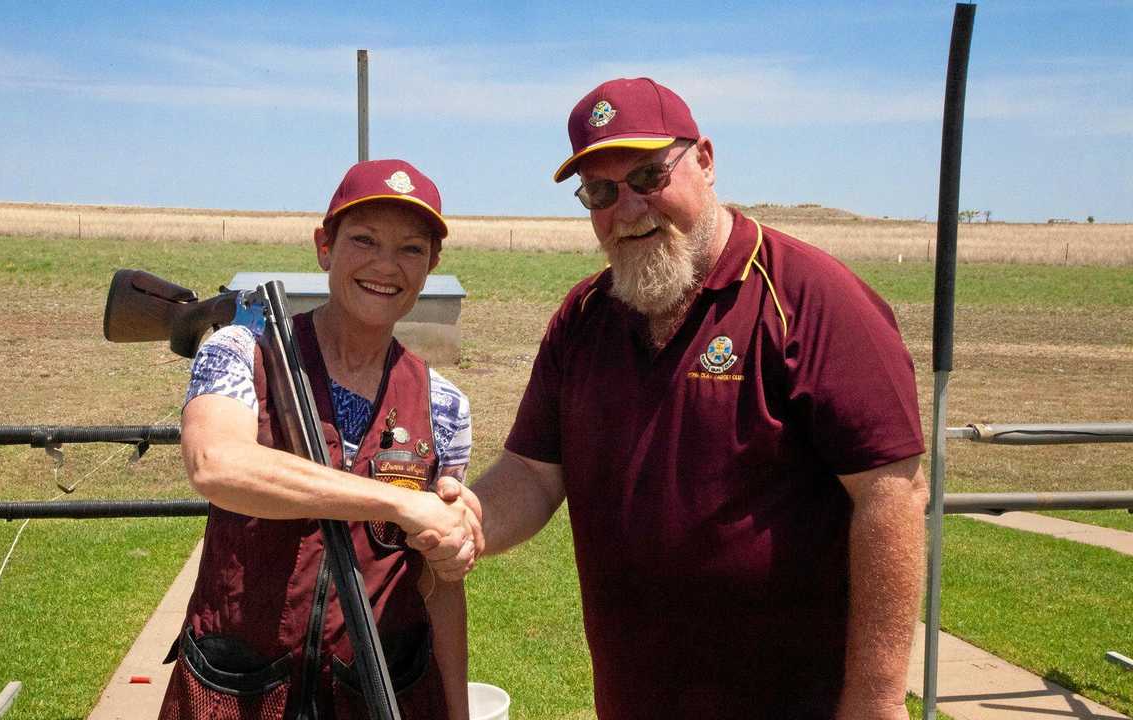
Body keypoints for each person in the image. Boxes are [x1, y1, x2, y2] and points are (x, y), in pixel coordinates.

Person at [417, 78, 929, 719]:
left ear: (705, 161)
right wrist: (461, 523)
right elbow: (532, 473)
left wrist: (877, 702)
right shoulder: (584, 317)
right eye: (600, 192)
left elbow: (892, 495)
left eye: (647, 176)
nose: (627, 208)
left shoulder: (811, 300)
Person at [161, 159, 479, 720]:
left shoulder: (443, 404)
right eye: (363, 240)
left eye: (411, 249)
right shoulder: (245, 352)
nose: (387, 265)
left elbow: (438, 585)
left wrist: (457, 711)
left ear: (432, 264)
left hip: (377, 695)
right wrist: (398, 500)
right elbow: (217, 465)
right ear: (323, 246)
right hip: (237, 691)